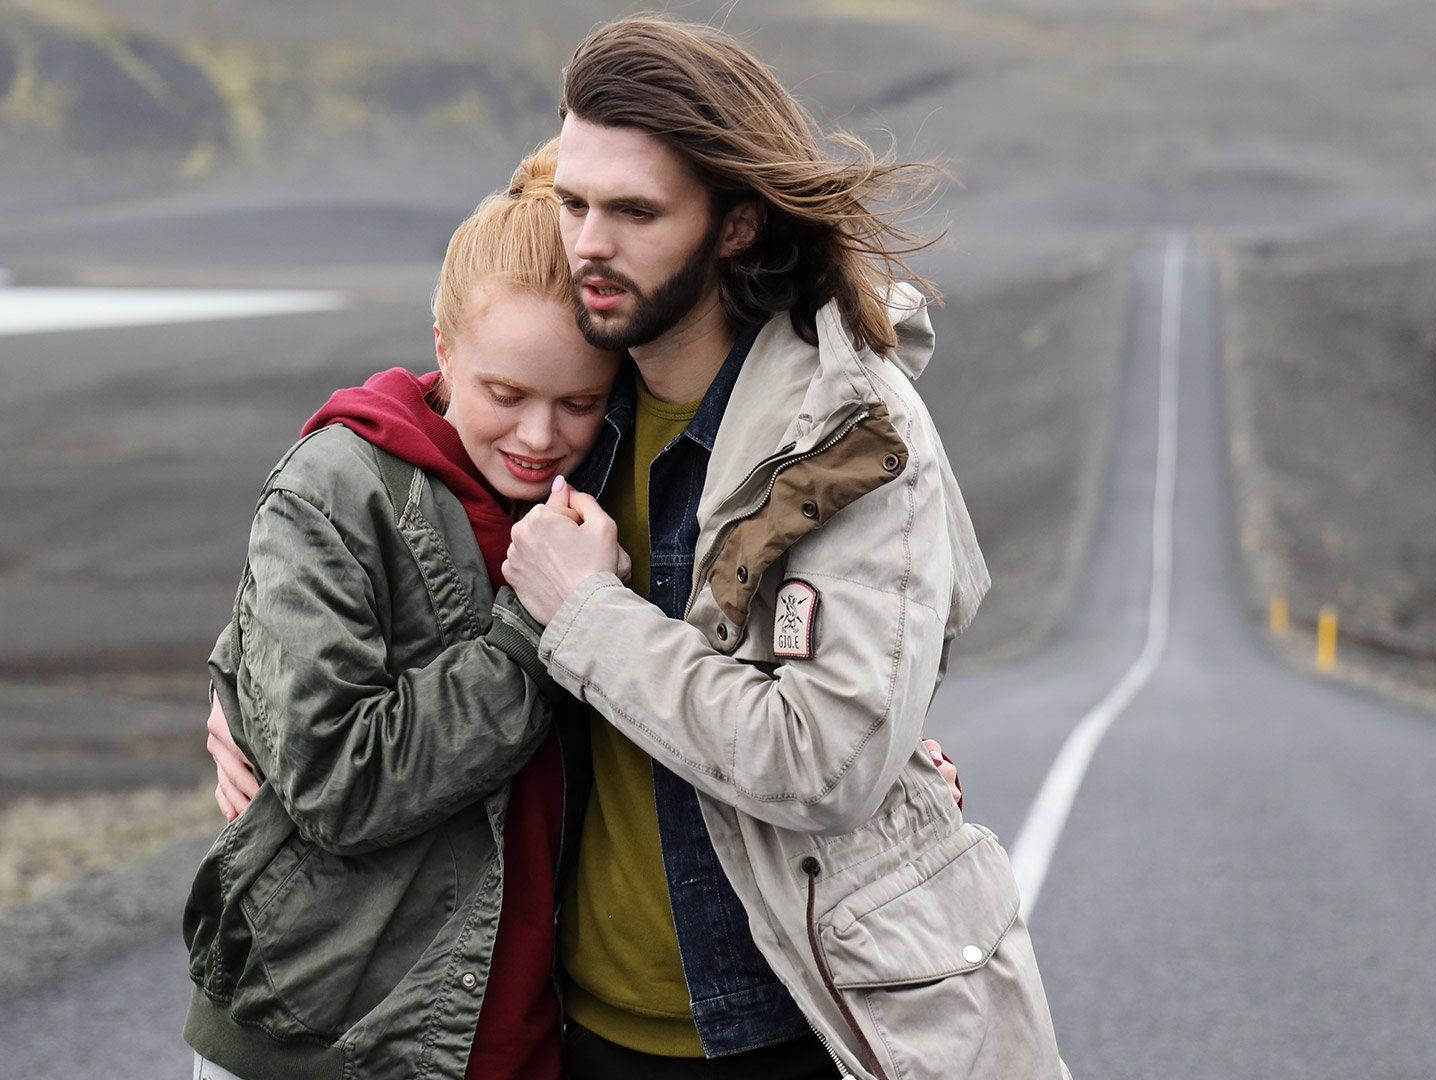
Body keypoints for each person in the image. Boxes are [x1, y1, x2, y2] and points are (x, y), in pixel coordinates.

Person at [186, 138, 964, 1080]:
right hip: (327, 1030)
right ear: (443, 349)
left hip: (518, 1026)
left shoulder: (602, 476)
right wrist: (245, 681)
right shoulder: (353, 483)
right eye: (503, 394)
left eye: (579, 400)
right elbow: (337, 773)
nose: (538, 436)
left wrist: (882, 752)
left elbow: (735, 664)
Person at [489, 15, 1069, 1080]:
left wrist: (584, 615)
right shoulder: (566, 403)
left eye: (634, 212)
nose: (587, 246)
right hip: (575, 1030)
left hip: (791, 1028)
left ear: (739, 227)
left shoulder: (849, 438)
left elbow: (822, 762)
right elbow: (383, 515)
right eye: (573, 203)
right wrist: (249, 698)